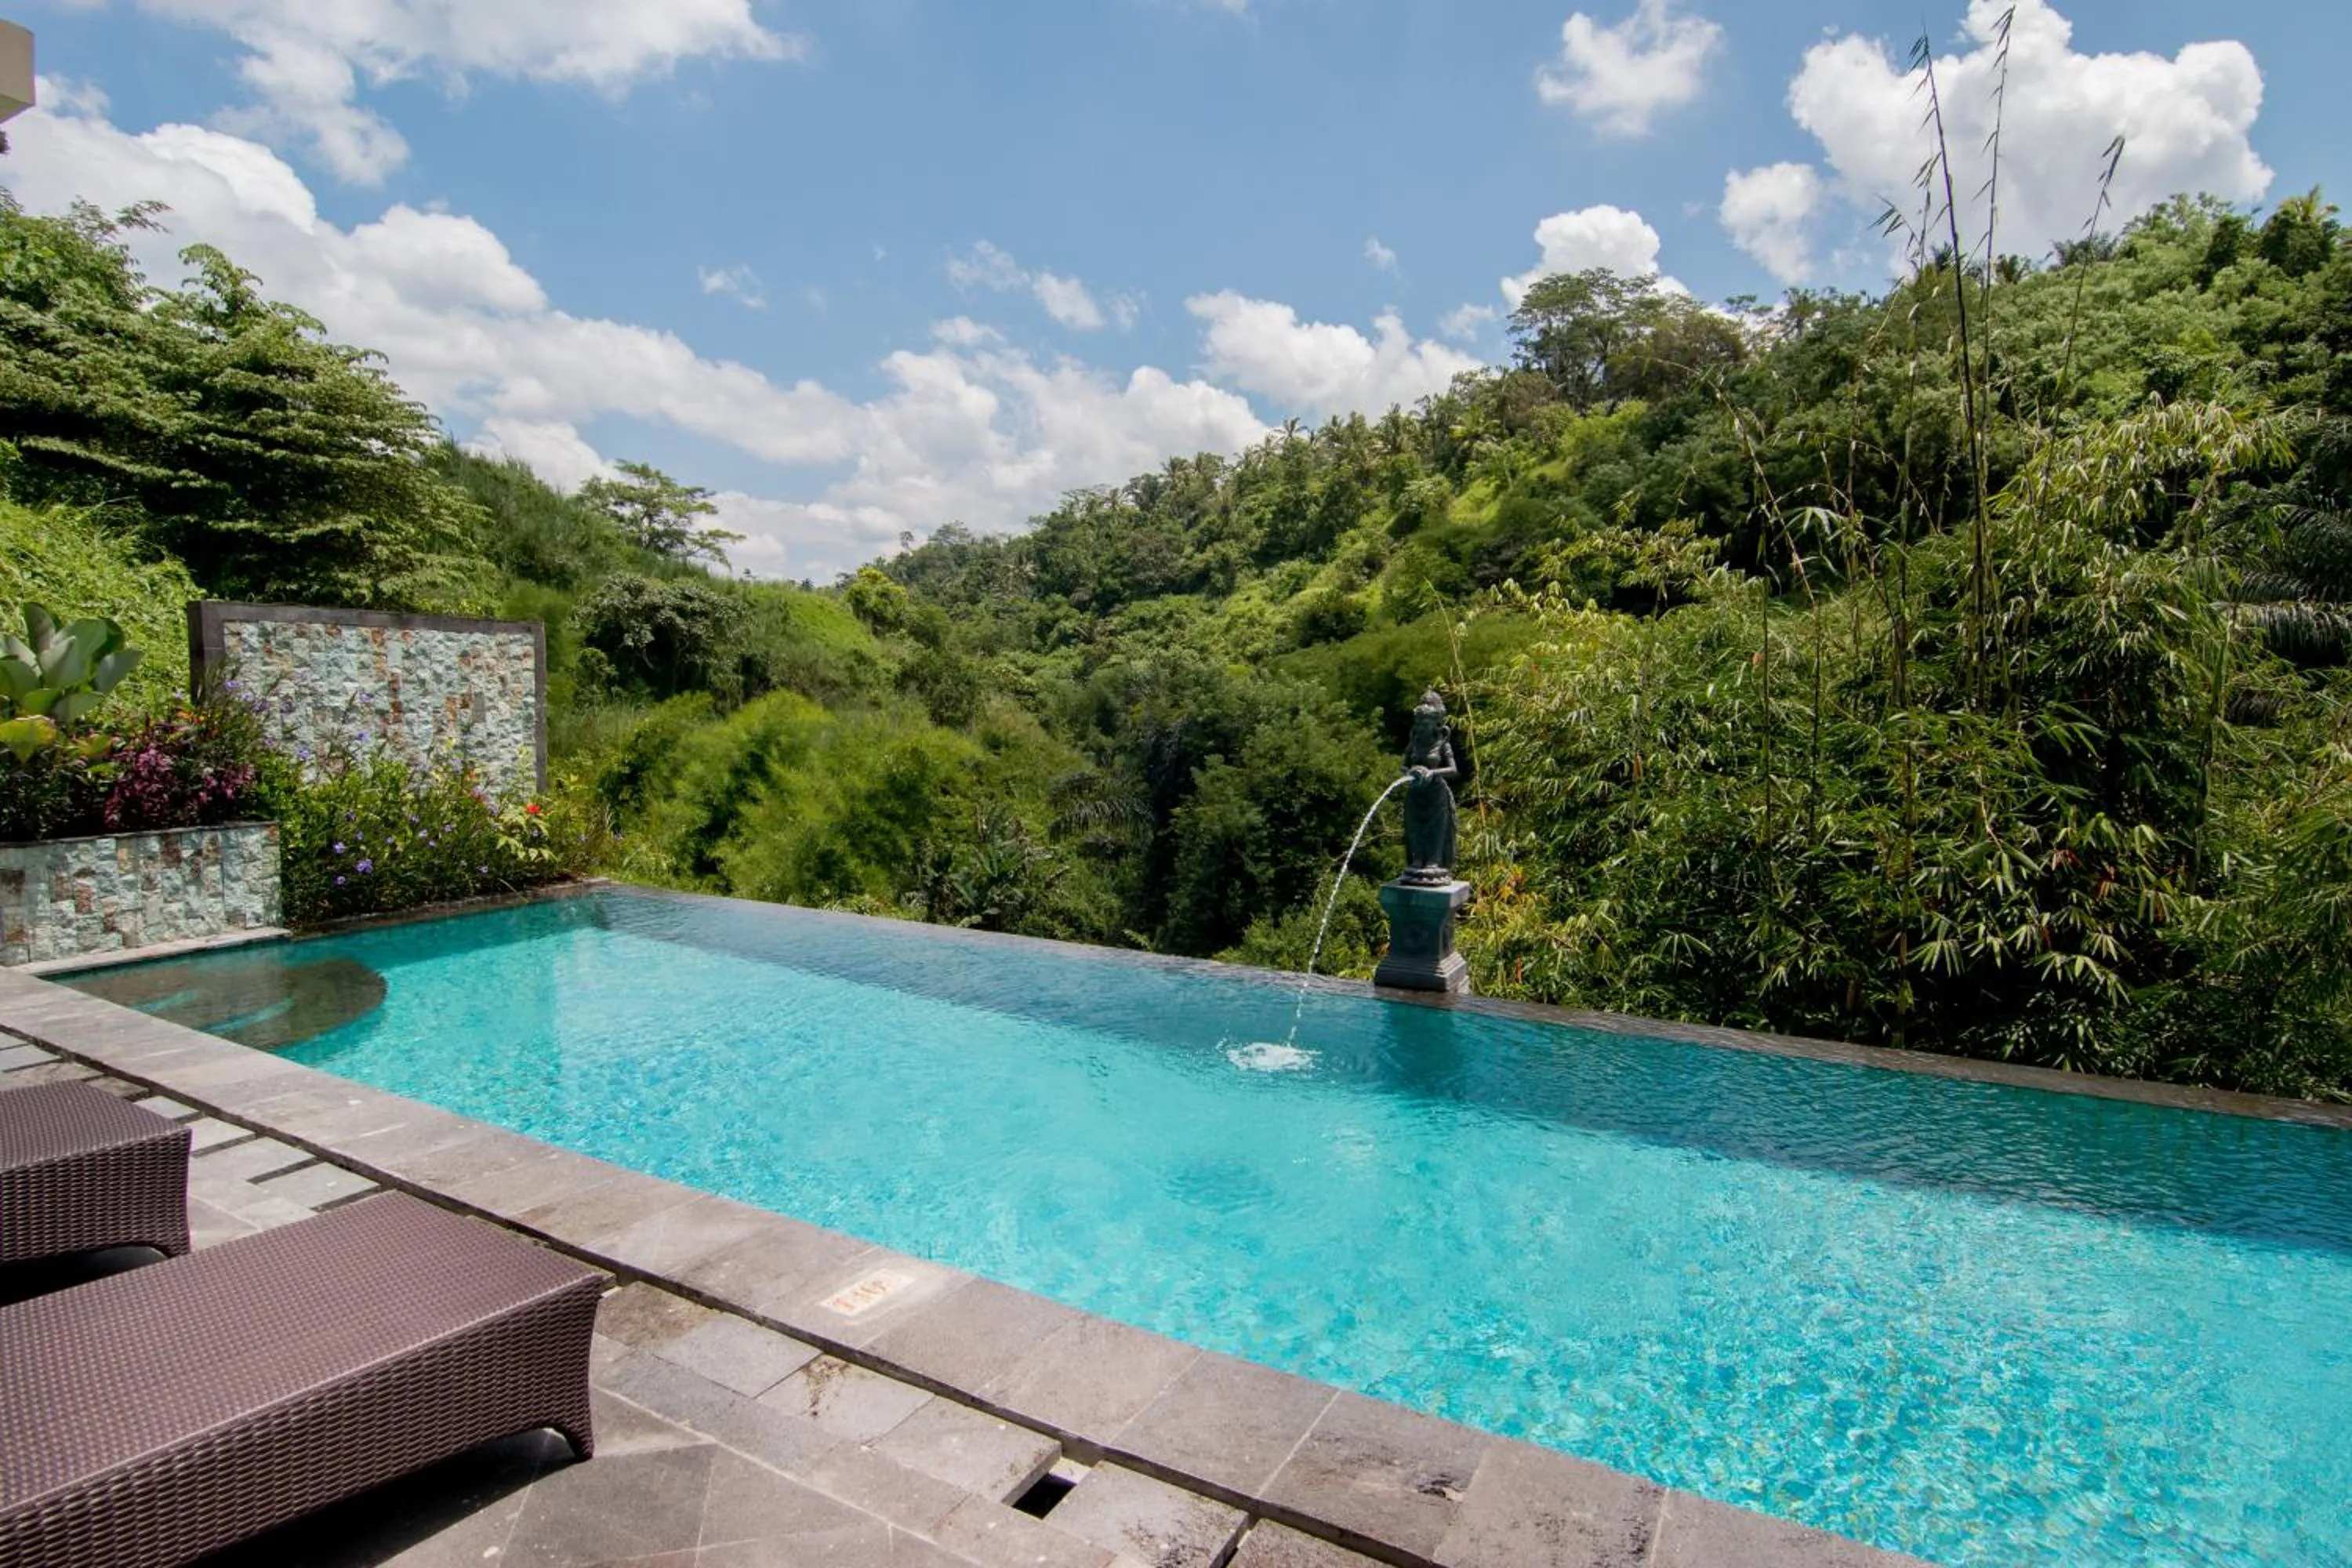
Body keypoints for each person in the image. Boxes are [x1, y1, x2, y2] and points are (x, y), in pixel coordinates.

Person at [1399, 690, 1458, 884]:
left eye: (1425, 723)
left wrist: (1432, 773)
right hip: (1416, 793)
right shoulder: (1415, 742)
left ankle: (1434, 861)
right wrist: (1411, 771)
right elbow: (1404, 765)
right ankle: (1417, 859)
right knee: (1415, 827)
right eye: (1419, 723)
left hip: (1437, 794)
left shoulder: (1442, 744)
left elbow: (1453, 769)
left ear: (1436, 725)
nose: (1421, 727)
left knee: (1436, 827)